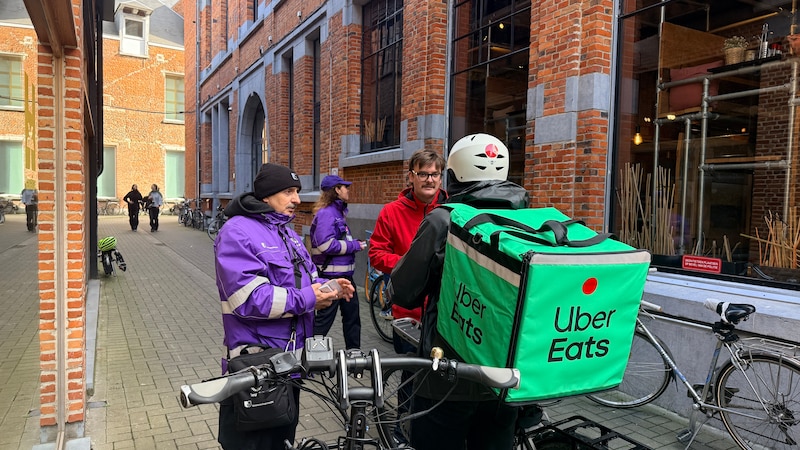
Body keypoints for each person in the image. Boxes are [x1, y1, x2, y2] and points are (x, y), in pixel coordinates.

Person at [387, 133, 530, 450]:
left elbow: (403, 291)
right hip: (505, 373)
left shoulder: (443, 219)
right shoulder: (526, 221)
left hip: (447, 373)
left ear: (452, 176)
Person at [214, 163, 354, 450]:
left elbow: (303, 281)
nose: (297, 199)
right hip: (256, 370)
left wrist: (328, 287)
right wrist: (309, 298)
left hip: (289, 369)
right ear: (266, 195)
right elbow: (248, 298)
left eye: (297, 191)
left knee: (282, 441)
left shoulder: (286, 232)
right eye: (289, 192)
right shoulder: (237, 231)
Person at [367, 148, 446, 446]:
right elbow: (376, 253)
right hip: (408, 314)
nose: (429, 180)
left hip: (443, 314)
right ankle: (402, 431)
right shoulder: (391, 211)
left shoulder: (454, 210)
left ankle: (431, 431)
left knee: (441, 377)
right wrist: (410, 265)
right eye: (423, 173)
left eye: (435, 174)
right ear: (411, 176)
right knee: (411, 377)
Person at [310, 174, 367, 350]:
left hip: (345, 278)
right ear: (337, 190)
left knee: (352, 319)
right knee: (324, 321)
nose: (348, 190)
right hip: (331, 278)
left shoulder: (337, 212)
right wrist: (354, 245)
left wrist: (353, 243)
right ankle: (309, 355)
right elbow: (325, 245)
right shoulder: (327, 214)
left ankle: (354, 355)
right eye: (345, 187)